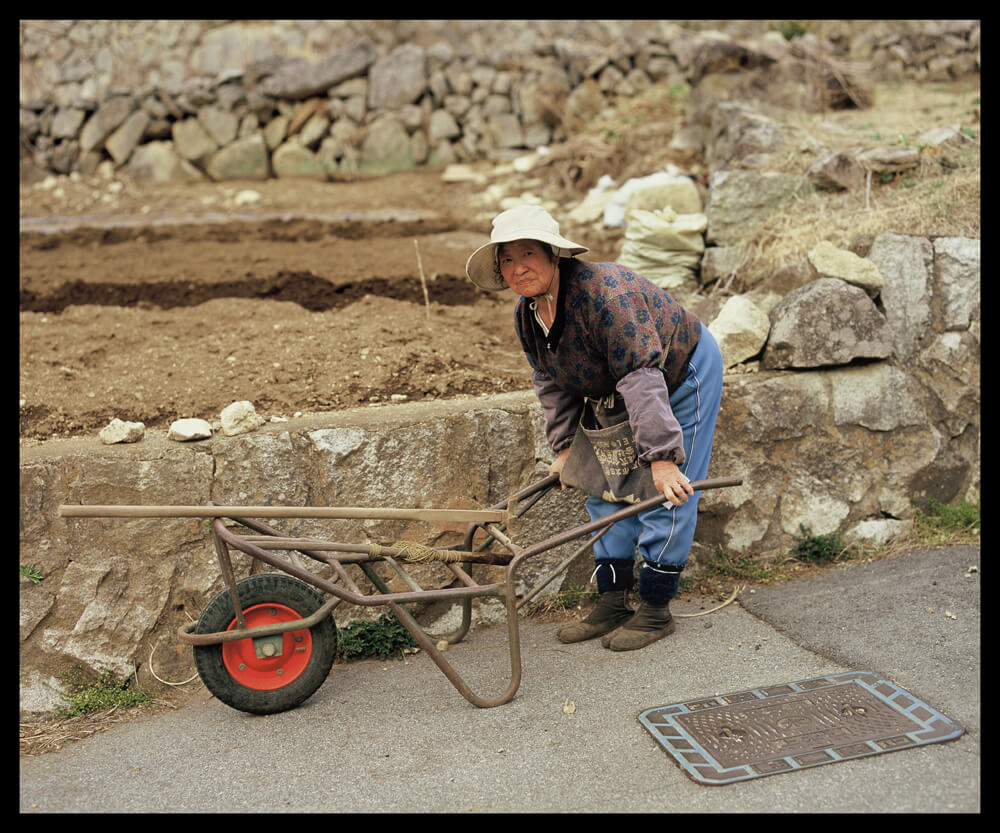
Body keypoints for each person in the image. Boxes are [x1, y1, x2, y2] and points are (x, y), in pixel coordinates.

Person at [465, 204, 723, 651]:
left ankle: (656, 608)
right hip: (620, 387)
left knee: (668, 491)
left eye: (528, 253)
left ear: (553, 255)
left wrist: (661, 459)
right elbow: (549, 377)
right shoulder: (528, 313)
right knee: (599, 487)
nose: (518, 267)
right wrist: (565, 448)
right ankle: (613, 600)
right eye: (507, 258)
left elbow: (643, 377)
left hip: (678, 374)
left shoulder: (607, 296)